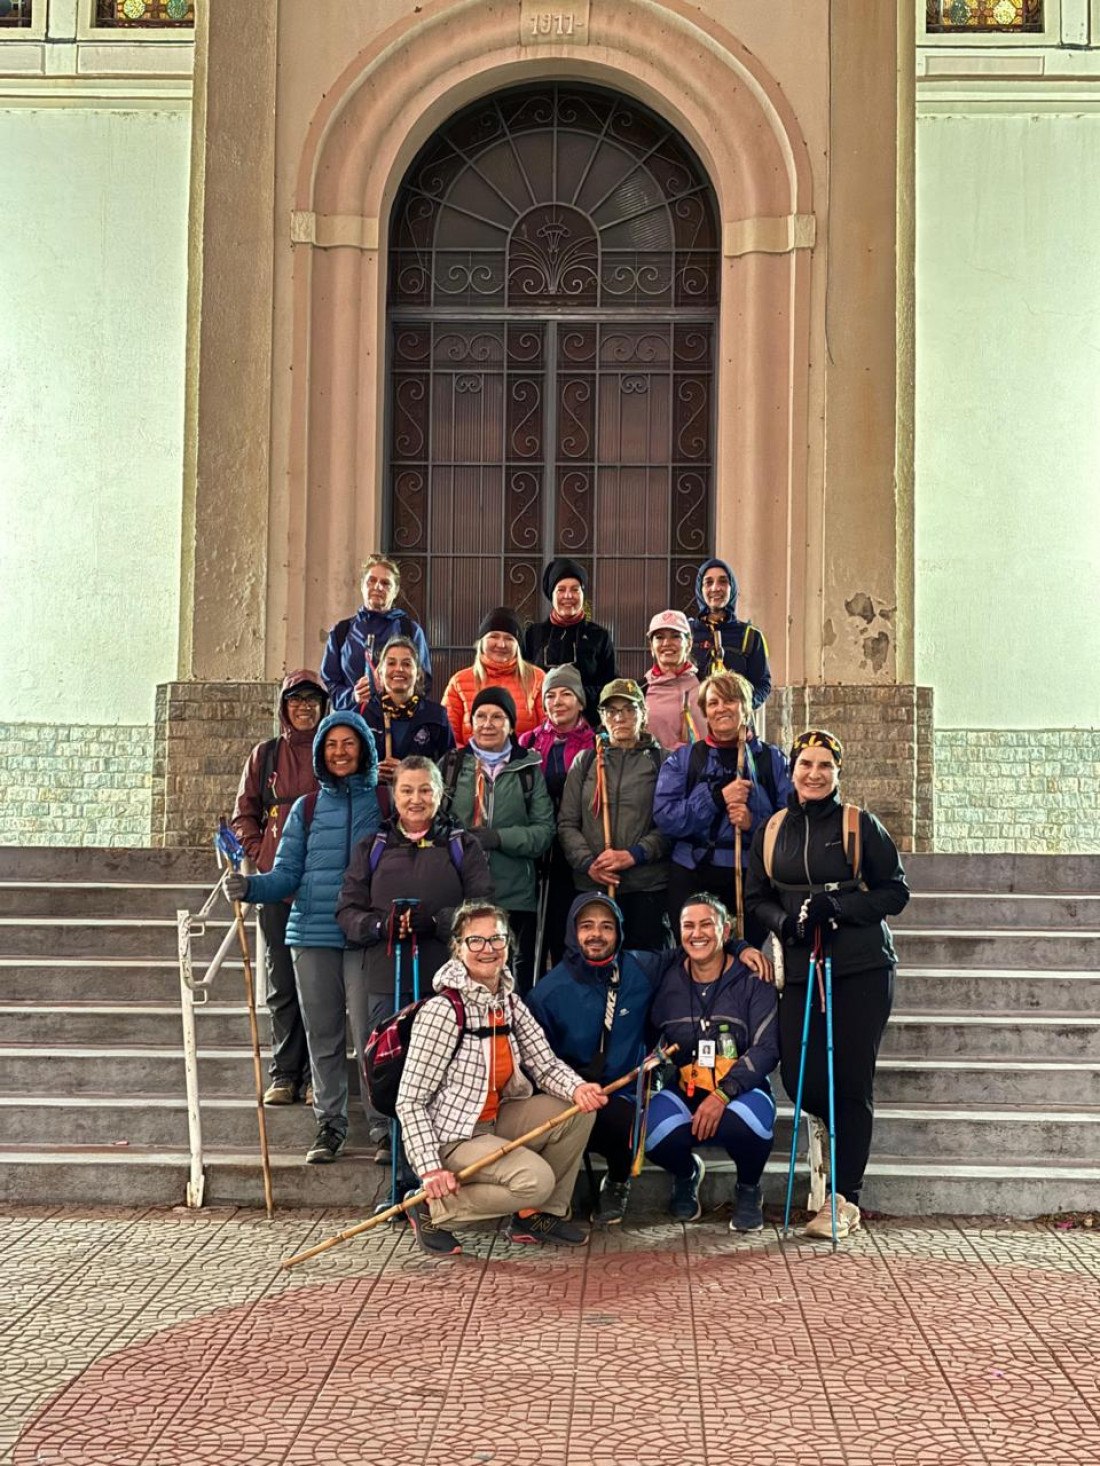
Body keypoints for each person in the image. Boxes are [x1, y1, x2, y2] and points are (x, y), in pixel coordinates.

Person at [744, 728, 910, 1241]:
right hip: (800, 968)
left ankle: (845, 1197)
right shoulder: (772, 828)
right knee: (800, 1078)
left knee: (853, 1083)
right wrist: (785, 922)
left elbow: (895, 892)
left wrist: (840, 907)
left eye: (824, 766)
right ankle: (826, 1135)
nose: (814, 774)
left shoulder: (860, 825)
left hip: (859, 968)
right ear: (790, 771)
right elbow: (754, 897)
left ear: (838, 772)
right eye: (805, 765)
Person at [396, 900, 608, 1256]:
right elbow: (410, 1100)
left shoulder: (508, 1002)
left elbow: (545, 1064)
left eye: (496, 939)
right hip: (455, 1135)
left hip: (497, 1119)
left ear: (508, 945)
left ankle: (534, 1216)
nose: (487, 949)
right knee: (534, 1179)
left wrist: (578, 1088)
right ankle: (433, 1208)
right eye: (475, 941)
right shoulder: (443, 1011)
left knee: (579, 1111)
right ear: (458, 948)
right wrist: (430, 1169)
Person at [225, 711, 381, 1165]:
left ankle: (381, 1124)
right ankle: (329, 1124)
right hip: (312, 935)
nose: (340, 752)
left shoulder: (384, 804)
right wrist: (252, 888)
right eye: (331, 745)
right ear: (320, 753)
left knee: (369, 1036)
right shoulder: (305, 809)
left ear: (364, 748)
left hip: (365, 939)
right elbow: (287, 874)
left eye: (348, 743)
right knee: (323, 1034)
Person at [335, 755, 494, 1158]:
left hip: (446, 978)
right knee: (390, 1062)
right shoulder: (373, 847)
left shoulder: (461, 845)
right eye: (407, 790)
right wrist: (379, 926)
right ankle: (392, 1140)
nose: (416, 799)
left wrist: (439, 921)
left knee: (443, 1061)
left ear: (440, 795)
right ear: (394, 795)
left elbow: (482, 909)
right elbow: (347, 910)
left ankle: (441, 1141)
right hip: (387, 975)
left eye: (426, 790)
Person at [645, 893, 779, 1233]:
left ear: (727, 930)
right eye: (688, 925)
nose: (697, 933)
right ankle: (686, 1173)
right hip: (687, 1085)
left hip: (741, 1087)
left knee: (744, 1125)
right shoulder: (667, 977)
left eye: (707, 924)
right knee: (648, 1133)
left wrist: (723, 1095)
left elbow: (766, 1048)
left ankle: (749, 1189)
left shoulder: (753, 978)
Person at [526, 893, 656, 1227]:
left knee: (623, 1119)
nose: (596, 934)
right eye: (586, 926)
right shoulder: (547, 992)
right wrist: (572, 1088)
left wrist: (740, 950)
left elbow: (696, 953)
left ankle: (617, 1179)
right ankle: (551, 1190)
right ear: (572, 931)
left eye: (606, 927)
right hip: (568, 1092)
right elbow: (535, 1061)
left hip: (623, 1091)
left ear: (619, 933)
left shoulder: (642, 968)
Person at [230, 670, 326, 1106]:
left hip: (322, 883)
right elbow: (243, 815)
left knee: (319, 984)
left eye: (312, 700)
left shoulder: (333, 751)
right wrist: (262, 856)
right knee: (282, 980)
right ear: (283, 706)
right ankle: (285, 1072)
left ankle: (316, 1077)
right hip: (274, 886)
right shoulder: (264, 756)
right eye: (296, 700)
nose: (304, 707)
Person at [653, 671, 791, 940]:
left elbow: (789, 823)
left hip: (749, 876)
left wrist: (754, 823)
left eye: (730, 701)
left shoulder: (771, 760)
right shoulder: (685, 759)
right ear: (704, 711)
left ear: (746, 706)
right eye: (713, 703)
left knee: (745, 958)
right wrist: (716, 799)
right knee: (695, 952)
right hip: (693, 874)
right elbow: (666, 817)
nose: (721, 709)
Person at [439, 687, 555, 994]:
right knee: (463, 982)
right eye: (480, 716)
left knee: (511, 983)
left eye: (497, 716)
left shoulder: (528, 769)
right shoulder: (452, 765)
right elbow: (434, 822)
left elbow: (544, 831)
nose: (487, 723)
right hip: (461, 896)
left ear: (512, 725)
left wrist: (499, 838)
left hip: (514, 895)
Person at [557, 677, 671, 952]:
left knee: (643, 968)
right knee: (595, 963)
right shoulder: (585, 762)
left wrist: (634, 854)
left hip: (645, 887)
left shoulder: (663, 762)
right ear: (602, 717)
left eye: (630, 709)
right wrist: (588, 863)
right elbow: (567, 823)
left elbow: (670, 826)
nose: (621, 717)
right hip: (593, 885)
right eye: (612, 711)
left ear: (643, 714)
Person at [519, 662, 596, 968]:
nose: (558, 702)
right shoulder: (529, 742)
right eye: (551, 696)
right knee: (531, 936)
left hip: (575, 847)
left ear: (579, 701)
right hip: (538, 849)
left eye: (566, 694)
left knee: (565, 929)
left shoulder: (595, 744)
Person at [322, 554, 432, 709]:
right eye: (371, 580)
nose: (378, 587)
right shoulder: (341, 632)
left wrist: (396, 697)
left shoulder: (410, 631)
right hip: (352, 722)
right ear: (362, 586)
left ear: (395, 592)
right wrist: (352, 696)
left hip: (396, 723)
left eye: (386, 583)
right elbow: (330, 684)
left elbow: (423, 682)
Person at [523, 558, 617, 724]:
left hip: (588, 726)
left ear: (582, 594)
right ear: (551, 594)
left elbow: (609, 685)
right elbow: (524, 682)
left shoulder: (598, 636)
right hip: (541, 725)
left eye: (575, 589)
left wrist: (578, 695)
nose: (568, 596)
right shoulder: (534, 634)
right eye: (561, 590)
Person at [358, 636, 454, 799]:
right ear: (380, 673)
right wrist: (371, 774)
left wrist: (407, 772)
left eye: (406, 664)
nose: (399, 669)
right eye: (391, 663)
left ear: (418, 674)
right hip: (373, 806)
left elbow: (450, 770)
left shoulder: (436, 716)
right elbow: (352, 769)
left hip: (420, 805)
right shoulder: (364, 715)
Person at [443, 607, 545, 746]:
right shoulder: (459, 682)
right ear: (481, 642)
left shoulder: (537, 678)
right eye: (494, 636)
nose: (501, 644)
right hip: (471, 765)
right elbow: (448, 737)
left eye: (509, 638)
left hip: (523, 764)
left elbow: (546, 733)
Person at [688, 556, 772, 708]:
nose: (715, 588)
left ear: (732, 587)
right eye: (708, 582)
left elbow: (762, 685)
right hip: (695, 726)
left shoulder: (750, 636)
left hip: (735, 726)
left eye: (723, 581)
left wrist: (742, 707)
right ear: (700, 590)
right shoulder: (687, 634)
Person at [642, 609, 704, 752]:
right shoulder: (641, 690)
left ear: (689, 643)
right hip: (656, 773)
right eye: (659, 637)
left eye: (675, 636)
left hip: (705, 771)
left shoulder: (707, 684)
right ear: (651, 647)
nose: (667, 643)